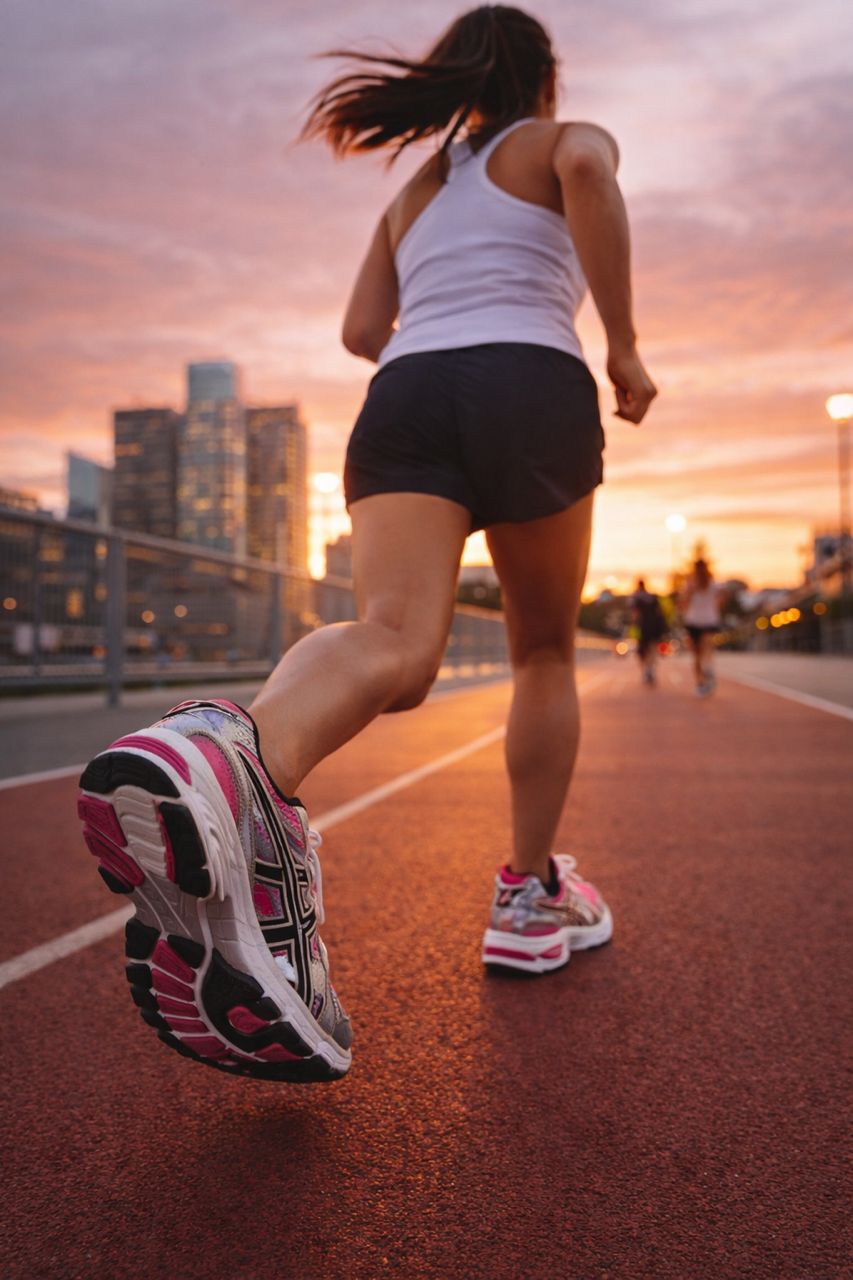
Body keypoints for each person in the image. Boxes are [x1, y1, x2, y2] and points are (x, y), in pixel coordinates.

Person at [76, 5, 656, 1082]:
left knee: (393, 635)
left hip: (406, 391)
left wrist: (438, 354)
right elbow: (588, 165)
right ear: (543, 77)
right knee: (540, 651)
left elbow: (358, 334)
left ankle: (237, 750)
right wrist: (620, 344)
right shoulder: (554, 138)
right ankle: (530, 895)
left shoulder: (416, 189)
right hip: (528, 376)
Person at [681, 558, 721, 696]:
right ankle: (708, 669)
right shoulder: (713, 583)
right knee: (707, 649)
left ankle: (700, 683)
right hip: (710, 619)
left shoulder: (690, 583)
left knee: (697, 655)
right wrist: (713, 609)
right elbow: (721, 599)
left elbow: (683, 602)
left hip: (693, 620)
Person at [630, 578, 666, 686]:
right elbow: (660, 611)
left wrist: (633, 625)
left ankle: (646, 669)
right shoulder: (652, 597)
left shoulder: (637, 598)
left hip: (643, 626)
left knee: (642, 651)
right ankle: (651, 668)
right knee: (652, 648)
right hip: (655, 626)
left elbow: (635, 614)